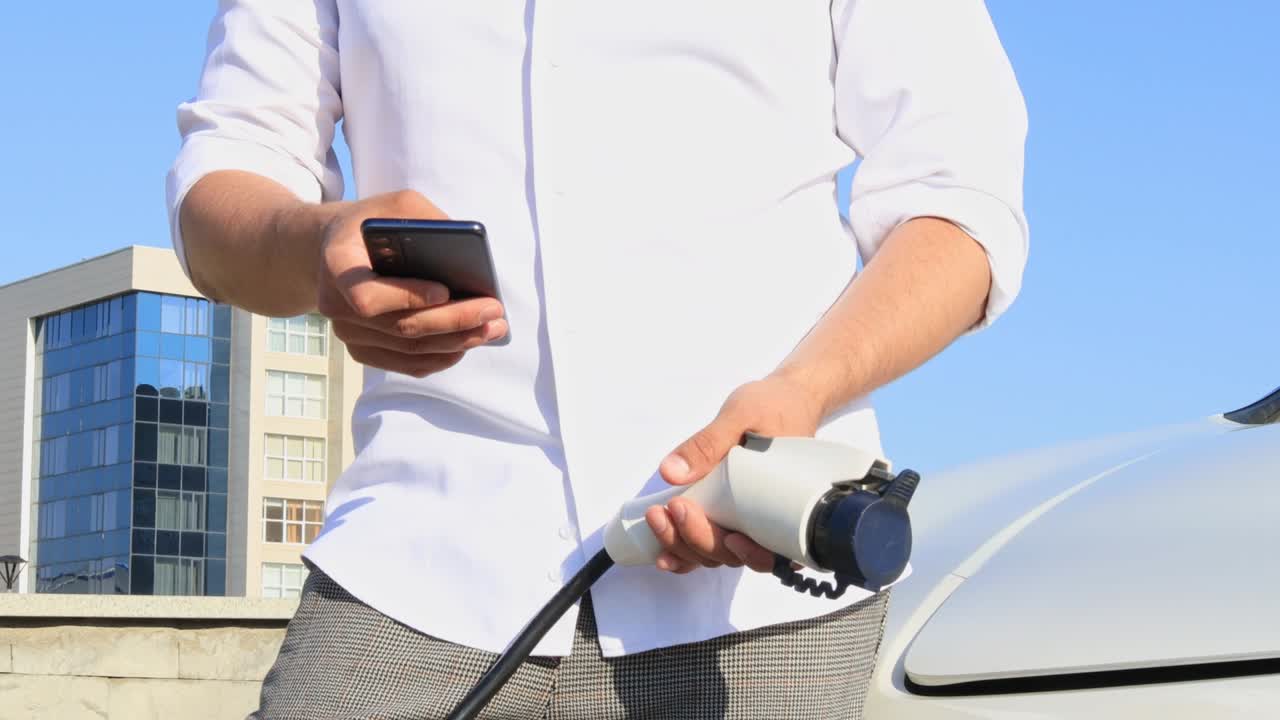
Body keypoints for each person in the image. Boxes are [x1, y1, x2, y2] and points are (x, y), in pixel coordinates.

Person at [167, 1, 1027, 717]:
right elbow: (226, 178)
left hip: (758, 590)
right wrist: (314, 244)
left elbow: (961, 200)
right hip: (414, 565)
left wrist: (805, 392)